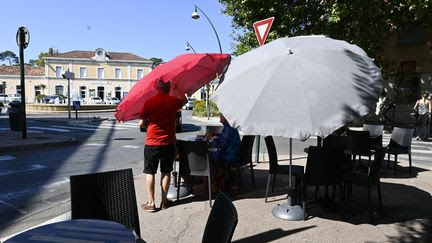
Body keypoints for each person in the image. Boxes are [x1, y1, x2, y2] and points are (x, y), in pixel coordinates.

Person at [140, 80, 186, 212]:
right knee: (166, 171)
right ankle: (165, 201)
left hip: (151, 143)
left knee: (150, 172)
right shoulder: (172, 101)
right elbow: (184, 100)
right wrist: (177, 88)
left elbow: (142, 122)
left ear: (157, 88)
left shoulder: (150, 102)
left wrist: (146, 124)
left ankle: (151, 203)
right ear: (168, 88)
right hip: (168, 143)